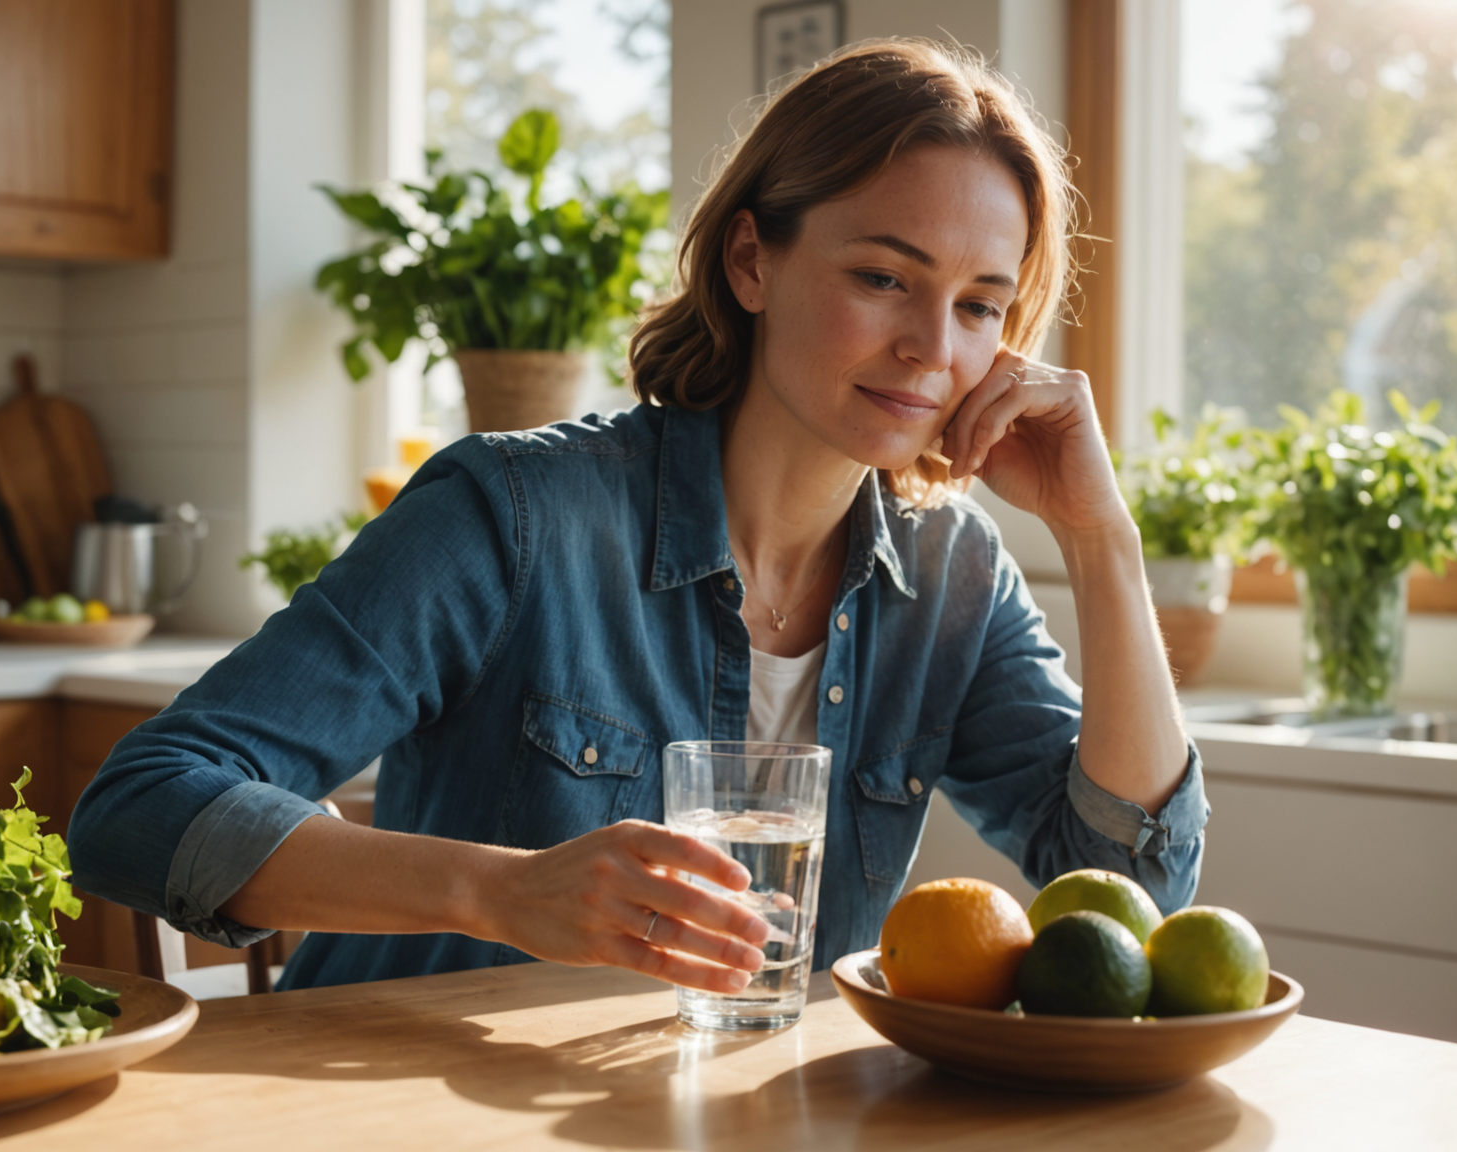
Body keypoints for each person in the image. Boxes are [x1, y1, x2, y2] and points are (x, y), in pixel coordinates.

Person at [68, 38, 1208, 996]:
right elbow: (139, 805)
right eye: (882, 278)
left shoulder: (952, 575)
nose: (931, 348)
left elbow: (1129, 892)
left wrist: (1099, 536)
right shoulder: (515, 515)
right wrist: (504, 890)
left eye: (980, 307)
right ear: (752, 260)